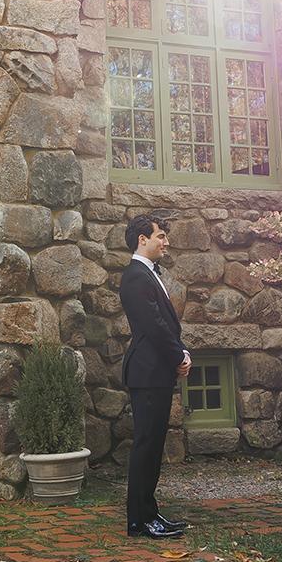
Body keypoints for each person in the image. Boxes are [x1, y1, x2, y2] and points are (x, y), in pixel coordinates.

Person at [118, 214, 192, 540]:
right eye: (160, 236)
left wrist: (180, 352)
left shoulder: (148, 274)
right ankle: (139, 520)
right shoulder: (135, 276)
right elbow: (153, 326)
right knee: (146, 447)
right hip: (148, 373)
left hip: (156, 372)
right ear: (142, 240)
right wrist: (178, 355)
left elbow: (164, 324)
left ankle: (150, 513)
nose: (166, 242)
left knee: (153, 446)